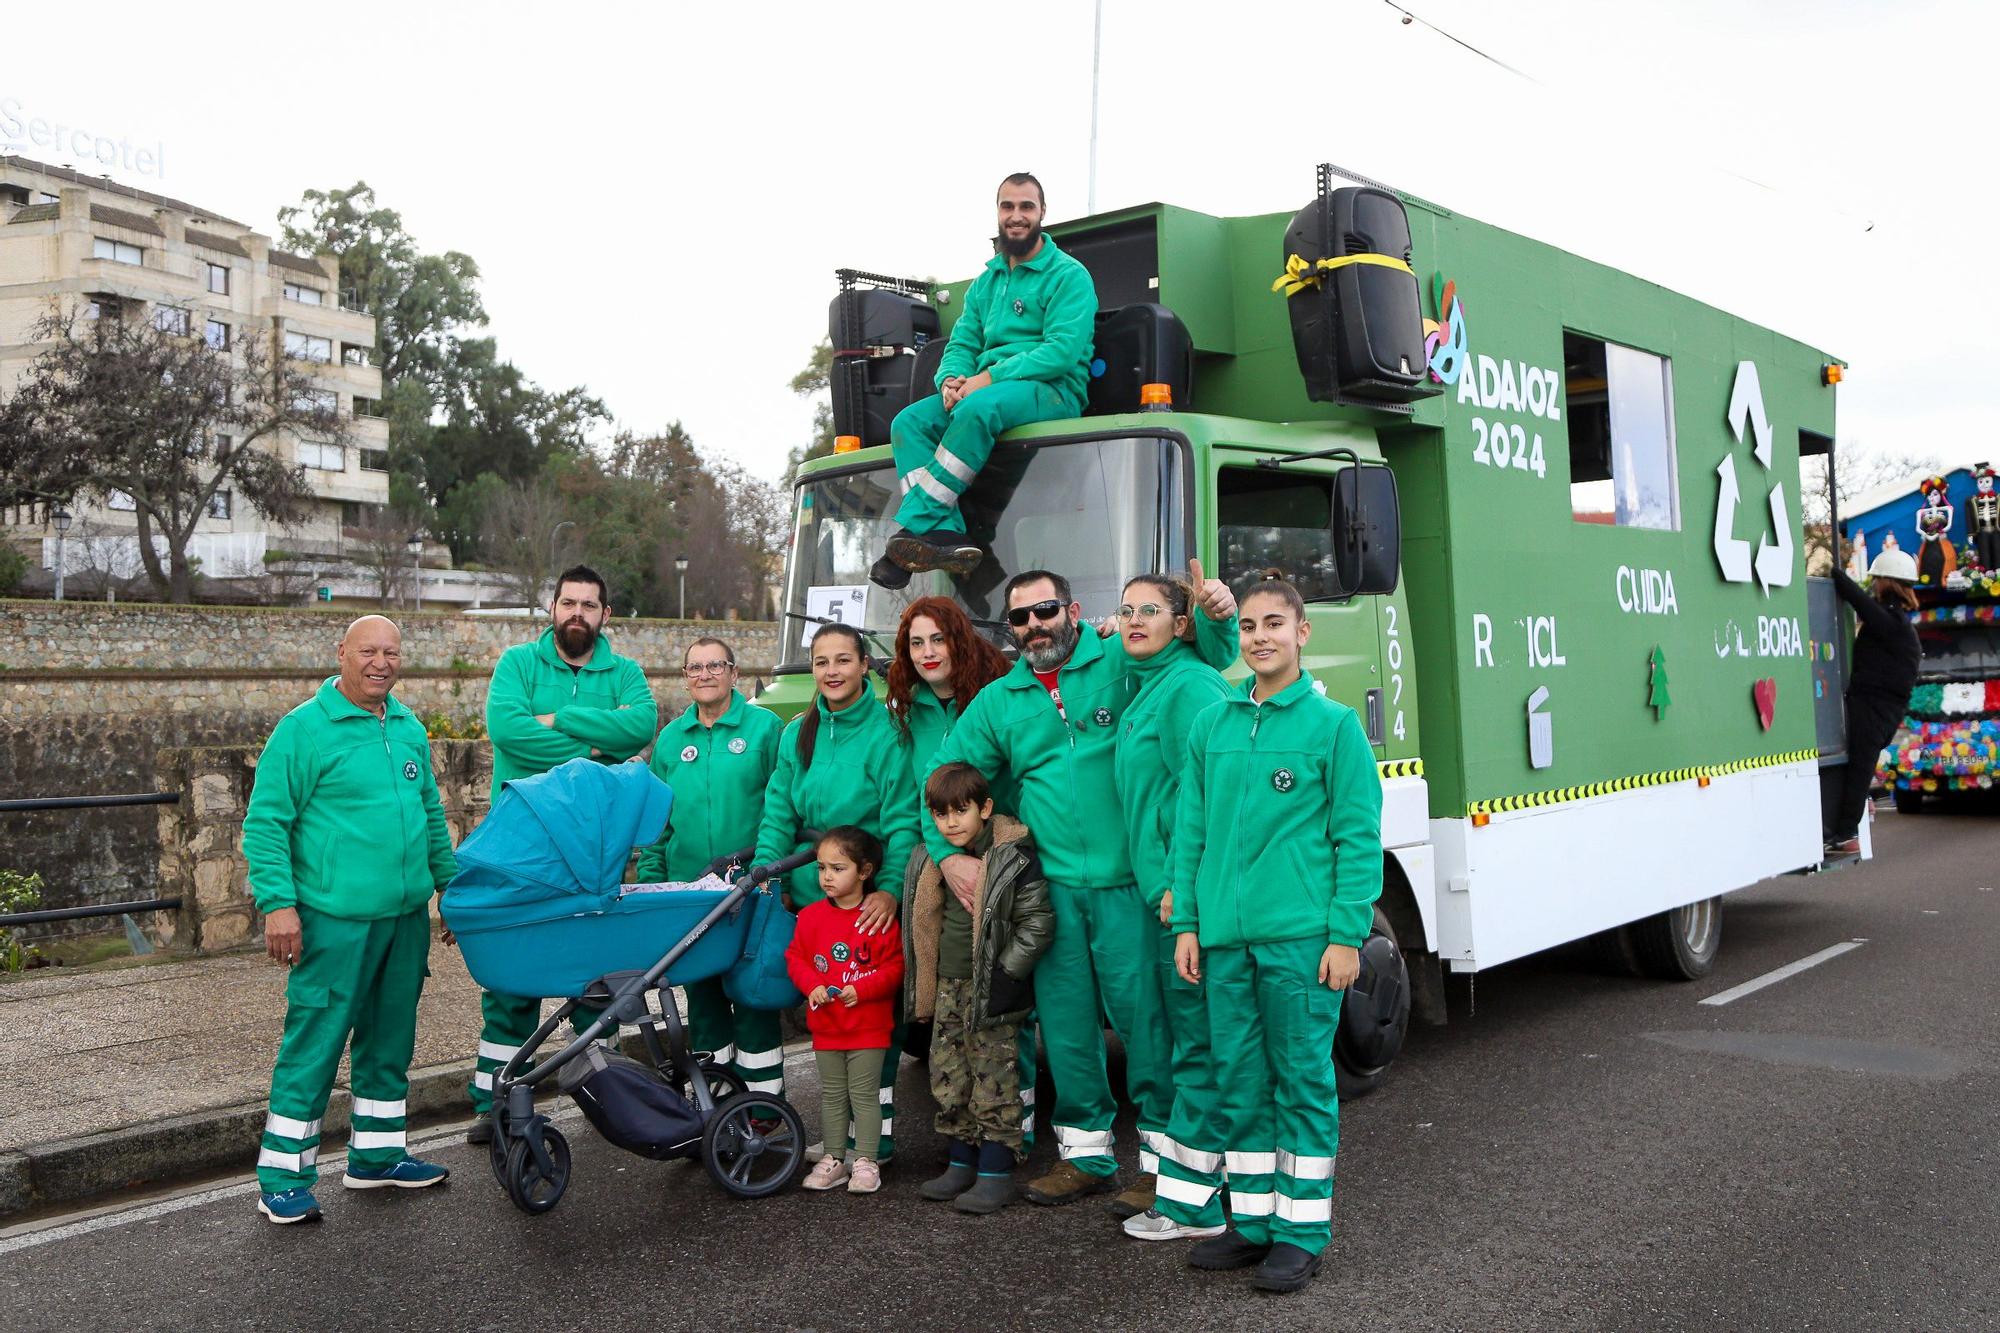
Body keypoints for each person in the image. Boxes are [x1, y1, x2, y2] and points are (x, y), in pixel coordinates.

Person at [923, 564, 1239, 1208]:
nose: (1034, 626)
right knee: (1066, 1030)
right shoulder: (1001, 699)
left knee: (1147, 1025)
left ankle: (1162, 1162)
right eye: (1019, 617)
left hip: (1133, 885)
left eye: (1045, 611)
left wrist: (1218, 613)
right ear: (1009, 629)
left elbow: (1204, 657)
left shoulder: (1122, 658)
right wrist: (947, 855)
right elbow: (942, 774)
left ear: (1071, 609)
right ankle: (1086, 1157)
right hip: (1054, 890)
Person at [1167, 577, 1383, 1294]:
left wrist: (1347, 934)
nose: (1260, 636)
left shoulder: (1333, 726)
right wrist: (1191, 922)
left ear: (1301, 633)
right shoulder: (1214, 724)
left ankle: (1300, 1232)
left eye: (1274, 624)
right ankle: (1253, 1221)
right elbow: (1190, 833)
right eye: (1250, 625)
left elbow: (1356, 840)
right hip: (1226, 941)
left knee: (1301, 1083)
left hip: (1300, 944)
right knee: (1240, 1080)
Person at [242, 615, 458, 1224]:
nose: (381, 663)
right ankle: (283, 1174)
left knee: (390, 1040)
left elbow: (430, 818)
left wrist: (451, 891)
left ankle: (378, 1156)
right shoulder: (304, 731)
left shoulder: (408, 726)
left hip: (404, 917)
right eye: (368, 651)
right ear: (342, 652)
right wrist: (279, 905)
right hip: (334, 920)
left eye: (391, 652)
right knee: (316, 1042)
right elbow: (265, 824)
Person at [468, 566, 658, 1136]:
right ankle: (496, 1105)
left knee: (598, 975)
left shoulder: (624, 673)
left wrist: (561, 720)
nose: (577, 613)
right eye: (568, 602)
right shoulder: (517, 665)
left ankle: (606, 1098)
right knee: (510, 977)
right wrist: (598, 742)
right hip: (523, 845)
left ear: (605, 615)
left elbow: (642, 726)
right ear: (552, 607)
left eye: (589, 605)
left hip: (597, 849)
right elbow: (508, 730)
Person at [870, 172, 1098, 590]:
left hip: (1053, 391)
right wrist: (951, 379)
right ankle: (946, 532)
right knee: (908, 423)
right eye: (1008, 206)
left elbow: (1061, 352)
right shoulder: (985, 283)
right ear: (997, 213)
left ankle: (909, 534)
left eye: (1026, 206)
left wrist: (988, 378)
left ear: (1042, 213)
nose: (1016, 215)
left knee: (977, 408)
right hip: (988, 389)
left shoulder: (1070, 275)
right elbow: (961, 342)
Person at [754, 622, 922, 1159]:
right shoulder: (795, 734)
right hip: (813, 893)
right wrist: (766, 876)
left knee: (873, 1018)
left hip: (866, 898)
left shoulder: (888, 732)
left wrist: (889, 889)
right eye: (821, 662)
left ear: (864, 666)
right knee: (828, 1009)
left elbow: (900, 820)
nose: (831, 671)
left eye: (843, 660)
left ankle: (876, 1139)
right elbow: (778, 810)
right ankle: (837, 1135)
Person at [1108, 575, 1236, 1242]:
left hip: (1179, 904)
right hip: (1162, 897)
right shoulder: (1151, 681)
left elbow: (1207, 796)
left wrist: (1181, 893)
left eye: (1149, 610)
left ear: (1180, 623)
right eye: (1125, 609)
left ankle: (1195, 1208)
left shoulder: (1188, 687)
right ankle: (1199, 1196)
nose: (1132, 620)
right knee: (1189, 1047)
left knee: (1200, 1050)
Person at [885, 597, 1038, 1144]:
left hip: (1006, 854)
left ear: (960, 639)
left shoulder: (998, 691)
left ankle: (1014, 1125)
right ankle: (968, 1131)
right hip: (949, 863)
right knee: (957, 1002)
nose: (928, 653)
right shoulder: (905, 708)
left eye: (938, 640)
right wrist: (948, 859)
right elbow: (918, 796)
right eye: (915, 643)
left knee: (1007, 997)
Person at [634, 637, 785, 1094]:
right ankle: (715, 1102)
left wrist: (776, 875)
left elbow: (783, 808)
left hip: (752, 889)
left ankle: (761, 1107)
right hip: (690, 893)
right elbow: (658, 824)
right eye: (694, 668)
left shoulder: (765, 729)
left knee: (753, 993)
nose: (704, 675)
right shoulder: (671, 739)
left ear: (734, 673)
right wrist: (653, 887)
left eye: (714, 666)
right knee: (702, 998)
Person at [903, 762, 1053, 1214]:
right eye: (940, 813)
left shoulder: (1011, 856)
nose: (950, 822)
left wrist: (1007, 974)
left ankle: (995, 1173)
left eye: (960, 811)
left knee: (993, 1080)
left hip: (992, 987)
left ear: (985, 808)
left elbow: (1038, 921)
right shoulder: (931, 859)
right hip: (946, 986)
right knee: (949, 1076)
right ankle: (960, 1162)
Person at [786, 827, 905, 1195]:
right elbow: (795, 957)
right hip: (827, 1026)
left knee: (864, 1095)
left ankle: (866, 1160)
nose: (826, 877)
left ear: (865, 871)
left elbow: (895, 967)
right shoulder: (810, 917)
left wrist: (861, 989)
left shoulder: (879, 918)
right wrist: (811, 985)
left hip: (868, 1027)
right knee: (833, 1096)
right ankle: (834, 1159)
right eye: (822, 868)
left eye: (838, 868)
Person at [1827, 549, 1923, 855]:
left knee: (1859, 769)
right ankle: (1842, 831)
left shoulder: (1891, 622)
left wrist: (1837, 575)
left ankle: (1844, 834)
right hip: (1880, 709)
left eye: (1877, 579)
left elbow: (1861, 603)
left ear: (1887, 582)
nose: (1874, 585)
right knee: (1856, 767)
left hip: (1875, 708)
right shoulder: (1898, 622)